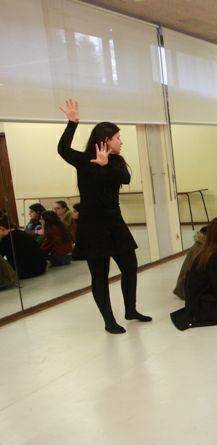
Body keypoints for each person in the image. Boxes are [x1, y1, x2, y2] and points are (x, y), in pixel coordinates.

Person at [57, 98, 150, 334]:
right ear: (106, 140)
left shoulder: (116, 163)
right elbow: (63, 150)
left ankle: (131, 310)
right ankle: (109, 321)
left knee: (130, 266)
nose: (121, 141)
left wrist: (106, 165)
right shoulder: (84, 160)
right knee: (100, 275)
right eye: (118, 137)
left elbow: (125, 178)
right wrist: (72, 124)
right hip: (92, 227)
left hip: (115, 224)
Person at [0, 213, 47, 279]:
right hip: (41, 267)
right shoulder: (21, 233)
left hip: (29, 271)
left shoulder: (6, 239)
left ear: (1, 229)